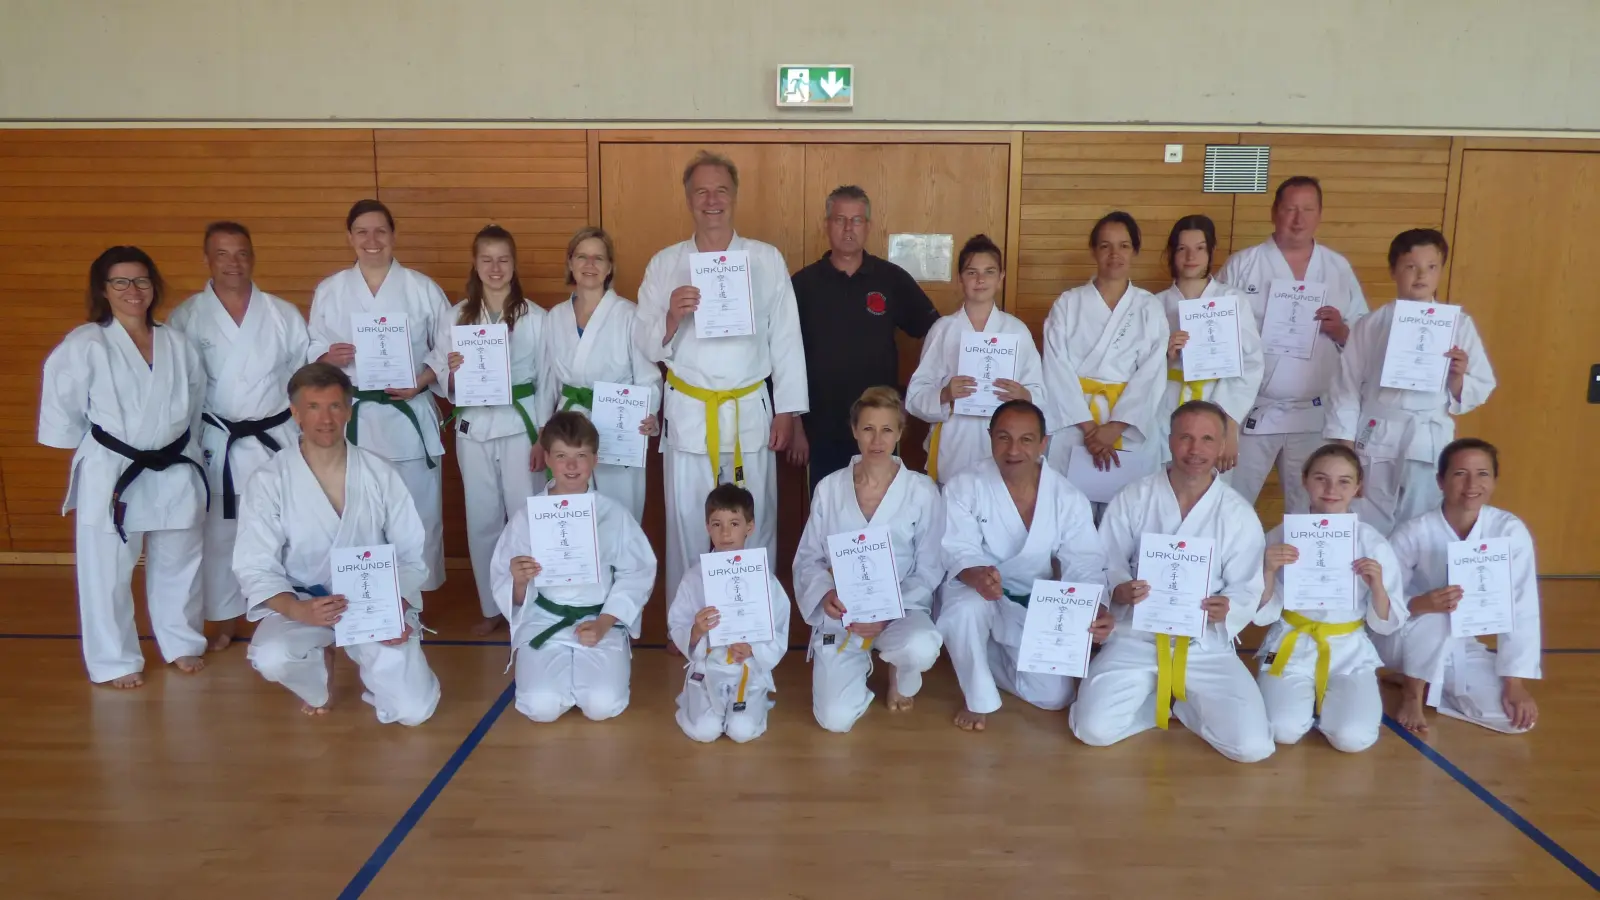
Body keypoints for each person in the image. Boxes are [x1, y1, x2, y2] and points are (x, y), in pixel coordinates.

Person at [634, 151, 808, 608]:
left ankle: (752, 613)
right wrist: (672, 316)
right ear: (688, 199)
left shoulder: (765, 259)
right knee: (688, 517)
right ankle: (686, 617)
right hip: (691, 409)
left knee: (755, 517)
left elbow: (786, 339)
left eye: (721, 190)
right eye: (701, 191)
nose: (712, 200)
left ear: (735, 196)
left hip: (749, 406)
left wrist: (788, 411)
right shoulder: (665, 264)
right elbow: (646, 344)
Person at [38, 247, 209, 688]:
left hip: (174, 462)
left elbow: (194, 407)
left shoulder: (178, 343)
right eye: (121, 282)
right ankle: (115, 660)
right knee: (107, 570)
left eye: (142, 281)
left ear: (154, 287)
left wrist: (174, 447)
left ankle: (182, 642)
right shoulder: (84, 345)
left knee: (180, 562)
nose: (133, 291)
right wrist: (110, 447)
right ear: (103, 289)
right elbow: (65, 417)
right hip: (114, 469)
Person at [232, 363, 440, 723]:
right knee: (271, 656)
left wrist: (397, 606)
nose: (325, 419)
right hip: (306, 603)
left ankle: (382, 678)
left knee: (414, 711)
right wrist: (298, 611)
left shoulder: (379, 473)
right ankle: (317, 680)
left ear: (349, 409)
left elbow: (411, 552)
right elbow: (255, 564)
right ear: (295, 413)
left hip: (373, 603)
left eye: (334, 406)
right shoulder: (269, 480)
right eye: (313, 407)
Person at [1071, 400, 1274, 763]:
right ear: (1170, 440)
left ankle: (1186, 707)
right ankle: (1157, 701)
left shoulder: (1237, 512)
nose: (1195, 450)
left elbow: (1247, 586)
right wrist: (1119, 589)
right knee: (1093, 730)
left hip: (1204, 643)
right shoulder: (1136, 496)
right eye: (1186, 438)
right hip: (1136, 635)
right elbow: (1106, 559)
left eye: (1207, 439)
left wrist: (1227, 607)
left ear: (1222, 445)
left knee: (1252, 747)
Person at [167, 221, 309, 651]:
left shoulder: (281, 314)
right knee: (219, 533)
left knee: (284, 527)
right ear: (207, 259)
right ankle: (226, 619)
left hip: (273, 436)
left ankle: (286, 613)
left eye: (241, 253)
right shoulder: (186, 317)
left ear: (253, 256)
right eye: (223, 254)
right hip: (218, 442)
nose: (234, 262)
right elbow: (182, 389)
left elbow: (301, 379)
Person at [936, 400, 1112, 731]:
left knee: (1054, 697)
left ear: (1043, 443)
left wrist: (1095, 606)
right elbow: (957, 547)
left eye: (1026, 439)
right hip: (978, 592)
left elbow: (1084, 560)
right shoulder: (965, 485)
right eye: (1003, 437)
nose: (1013, 449)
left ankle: (979, 651)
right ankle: (978, 696)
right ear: (990, 438)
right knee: (965, 611)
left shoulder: (1066, 496)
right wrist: (977, 574)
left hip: (1034, 602)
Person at [308, 199, 450, 592]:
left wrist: (422, 379)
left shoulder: (422, 289)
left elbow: (447, 347)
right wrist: (326, 356)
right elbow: (309, 346)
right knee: (358, 515)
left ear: (393, 235)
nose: (372, 240)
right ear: (349, 237)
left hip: (407, 414)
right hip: (355, 420)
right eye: (362, 232)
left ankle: (412, 603)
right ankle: (366, 601)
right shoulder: (331, 290)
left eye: (380, 231)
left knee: (418, 515)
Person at [1323, 229, 1495, 535]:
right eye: (1410, 266)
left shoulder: (1459, 324)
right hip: (1376, 436)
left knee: (1421, 525)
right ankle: (1370, 582)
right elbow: (1346, 388)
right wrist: (1346, 452)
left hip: (1426, 439)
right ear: (1393, 270)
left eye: (1431, 267)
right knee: (1367, 524)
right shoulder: (1371, 324)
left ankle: (1417, 585)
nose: (1421, 275)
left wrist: (1457, 378)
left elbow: (1480, 385)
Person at [793, 387, 945, 732]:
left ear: (900, 433)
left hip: (900, 611)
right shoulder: (830, 489)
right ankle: (855, 666)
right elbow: (809, 559)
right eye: (868, 429)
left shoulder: (922, 491)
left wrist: (887, 610)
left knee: (920, 646)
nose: (877, 440)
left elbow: (929, 566)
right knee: (834, 720)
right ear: (854, 431)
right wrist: (825, 595)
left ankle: (898, 670)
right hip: (844, 613)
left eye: (887, 430)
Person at [490, 412, 657, 724]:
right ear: (548, 458)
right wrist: (518, 581)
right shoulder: (528, 515)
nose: (571, 465)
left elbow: (637, 572)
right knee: (541, 707)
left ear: (594, 459)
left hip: (599, 618)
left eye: (580, 456)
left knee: (602, 705)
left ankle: (592, 669)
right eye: (562, 456)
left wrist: (605, 623)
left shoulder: (614, 514)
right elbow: (505, 575)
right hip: (543, 619)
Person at [1219, 176, 1369, 514]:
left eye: (1307, 210)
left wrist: (1343, 331)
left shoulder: (1337, 268)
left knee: (1310, 510)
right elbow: (1219, 336)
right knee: (1231, 503)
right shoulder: (1243, 265)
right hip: (1253, 410)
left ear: (1319, 214)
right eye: (1289, 209)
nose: (1298, 219)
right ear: (1274, 212)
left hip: (1314, 413)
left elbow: (1366, 335)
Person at [427, 225, 548, 636]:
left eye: (503, 259)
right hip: (474, 426)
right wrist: (455, 375)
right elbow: (443, 373)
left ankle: (532, 603)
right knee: (481, 520)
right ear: (475, 265)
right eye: (486, 260)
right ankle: (491, 604)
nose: (495, 268)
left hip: (521, 425)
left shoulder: (536, 317)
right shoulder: (456, 316)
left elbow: (548, 380)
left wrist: (543, 437)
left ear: (514, 265)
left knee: (526, 517)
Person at [1373, 438, 1540, 735]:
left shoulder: (1509, 530)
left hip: (1459, 640)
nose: (1472, 484)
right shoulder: (1414, 531)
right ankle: (1413, 691)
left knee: (1513, 721)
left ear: (1495, 480)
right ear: (1440, 481)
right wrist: (1422, 604)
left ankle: (1429, 679)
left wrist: (1515, 682)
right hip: (1403, 634)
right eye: (1460, 473)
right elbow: (1381, 598)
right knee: (1440, 614)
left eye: (1483, 474)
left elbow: (1523, 605)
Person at [789, 186, 941, 491]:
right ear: (827, 224)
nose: (848, 229)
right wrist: (794, 425)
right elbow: (783, 356)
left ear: (868, 226)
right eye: (840, 220)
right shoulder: (803, 284)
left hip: (880, 427)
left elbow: (936, 331)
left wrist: (922, 392)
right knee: (827, 511)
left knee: (880, 512)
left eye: (857, 220)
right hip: (821, 426)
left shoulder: (891, 279)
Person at [1254, 444, 1404, 752]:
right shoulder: (1281, 536)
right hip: (1290, 644)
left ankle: (1330, 707)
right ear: (1305, 479)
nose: (1331, 489)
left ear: (1358, 487)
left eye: (1344, 481)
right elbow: (1263, 612)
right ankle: (1300, 702)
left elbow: (1387, 623)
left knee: (1353, 738)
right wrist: (1267, 571)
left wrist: (1376, 584)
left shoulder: (1371, 543)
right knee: (1281, 729)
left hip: (1348, 650)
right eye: (1321, 479)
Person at [536, 226, 661, 521]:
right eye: (582, 257)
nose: (590, 265)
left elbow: (649, 377)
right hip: (568, 426)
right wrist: (543, 429)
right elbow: (548, 379)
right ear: (570, 263)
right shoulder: (554, 316)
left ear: (609, 267)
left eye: (598, 258)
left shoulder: (630, 315)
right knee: (572, 512)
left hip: (619, 424)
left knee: (619, 512)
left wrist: (649, 413)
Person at [906, 235, 1044, 486]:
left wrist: (1024, 395)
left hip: (1006, 445)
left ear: (1001, 278)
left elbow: (1041, 395)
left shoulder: (1017, 331)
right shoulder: (943, 329)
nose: (980, 280)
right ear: (960, 279)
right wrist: (945, 395)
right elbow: (915, 397)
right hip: (954, 442)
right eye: (972, 272)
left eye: (989, 272)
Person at [1042, 211, 1169, 484]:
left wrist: (1115, 428)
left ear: (1135, 250)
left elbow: (1152, 374)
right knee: (1072, 508)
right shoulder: (1067, 303)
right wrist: (1090, 430)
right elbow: (1055, 369)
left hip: (1128, 425)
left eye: (1124, 246)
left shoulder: (1149, 307)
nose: (1115, 254)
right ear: (1093, 250)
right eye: (1105, 246)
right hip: (1075, 424)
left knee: (1126, 509)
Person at [669, 484, 793, 743]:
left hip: (746, 665)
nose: (725, 533)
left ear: (750, 527)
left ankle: (749, 706)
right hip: (709, 664)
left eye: (734, 523)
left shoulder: (765, 579)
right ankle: (694, 703)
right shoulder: (694, 577)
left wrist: (754, 649)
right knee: (705, 731)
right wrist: (696, 631)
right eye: (717, 524)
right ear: (707, 527)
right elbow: (678, 622)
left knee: (741, 731)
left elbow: (779, 627)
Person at [1153, 215, 1264, 473]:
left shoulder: (1233, 301)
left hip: (1217, 405)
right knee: (1162, 484)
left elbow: (1251, 365)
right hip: (1165, 409)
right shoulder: (1154, 305)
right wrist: (1165, 355)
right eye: (1182, 249)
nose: (1191, 256)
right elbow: (1137, 369)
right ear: (1171, 253)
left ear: (1211, 251)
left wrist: (1229, 424)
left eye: (1200, 248)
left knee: (1212, 491)